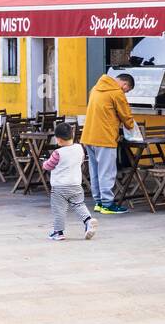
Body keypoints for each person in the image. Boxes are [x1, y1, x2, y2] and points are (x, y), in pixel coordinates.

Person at [81, 72, 137, 214]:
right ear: (125, 84)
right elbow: (126, 115)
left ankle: (99, 202)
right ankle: (107, 204)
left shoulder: (95, 88)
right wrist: (132, 130)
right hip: (104, 137)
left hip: (89, 136)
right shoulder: (116, 93)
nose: (125, 93)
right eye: (127, 90)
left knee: (95, 171)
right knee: (107, 171)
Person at [43, 121, 95, 242]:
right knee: (79, 204)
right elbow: (80, 161)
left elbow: (48, 166)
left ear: (59, 140)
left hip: (60, 188)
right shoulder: (79, 148)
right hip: (76, 184)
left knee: (59, 209)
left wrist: (44, 164)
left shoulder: (58, 153)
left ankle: (58, 232)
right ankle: (88, 221)